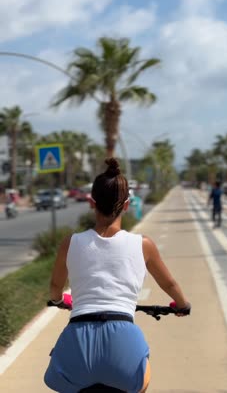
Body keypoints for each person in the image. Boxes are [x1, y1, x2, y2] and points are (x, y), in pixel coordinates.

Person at [44, 158, 190, 393]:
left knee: (64, 381)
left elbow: (54, 286)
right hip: (123, 336)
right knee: (139, 383)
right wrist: (182, 305)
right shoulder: (143, 245)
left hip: (78, 338)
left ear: (92, 203)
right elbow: (169, 283)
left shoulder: (70, 243)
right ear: (126, 205)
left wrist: (59, 300)